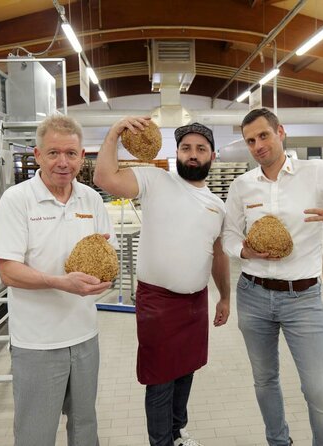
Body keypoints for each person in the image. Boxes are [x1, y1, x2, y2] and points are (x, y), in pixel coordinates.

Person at [223, 108, 323, 446]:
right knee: (265, 380)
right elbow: (229, 236)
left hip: (303, 298)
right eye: (251, 140)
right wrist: (244, 251)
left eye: (264, 135)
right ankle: (278, 441)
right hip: (252, 294)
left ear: (281, 132)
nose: (258, 145)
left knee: (320, 391)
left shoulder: (317, 173)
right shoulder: (242, 185)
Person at [94, 117, 231, 446]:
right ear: (177, 153)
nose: (193, 154)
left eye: (200, 148)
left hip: (196, 302)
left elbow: (219, 255)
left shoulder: (217, 206)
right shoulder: (155, 180)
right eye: (186, 148)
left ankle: (177, 433)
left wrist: (225, 297)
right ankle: (161, 442)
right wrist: (114, 132)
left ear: (212, 155)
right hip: (158, 301)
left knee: (187, 371)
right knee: (160, 379)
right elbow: (104, 177)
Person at [0, 113, 116, 446]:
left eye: (71, 154)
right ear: (38, 155)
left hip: (85, 335)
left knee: (85, 426)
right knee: (36, 433)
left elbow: (107, 256)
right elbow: (8, 271)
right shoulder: (17, 200)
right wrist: (62, 282)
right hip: (38, 342)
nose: (63, 162)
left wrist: (105, 279)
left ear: (81, 156)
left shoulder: (90, 199)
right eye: (54, 153)